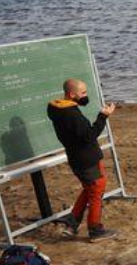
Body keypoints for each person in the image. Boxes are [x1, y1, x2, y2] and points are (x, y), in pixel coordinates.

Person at [47, 79, 118, 241]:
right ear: (72, 94)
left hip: (76, 158)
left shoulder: (58, 108)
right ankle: (95, 229)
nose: (86, 95)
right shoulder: (71, 114)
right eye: (83, 93)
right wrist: (103, 116)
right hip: (87, 159)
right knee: (96, 190)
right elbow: (89, 136)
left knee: (89, 188)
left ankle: (72, 223)